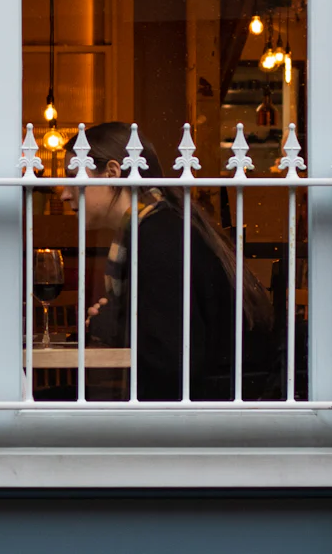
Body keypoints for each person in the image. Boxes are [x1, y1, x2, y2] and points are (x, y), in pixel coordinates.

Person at [62, 122, 276, 401]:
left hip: (204, 415)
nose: (65, 193)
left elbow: (171, 356)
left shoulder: (158, 237)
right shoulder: (161, 226)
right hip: (210, 404)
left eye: (73, 177)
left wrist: (111, 323)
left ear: (112, 173)